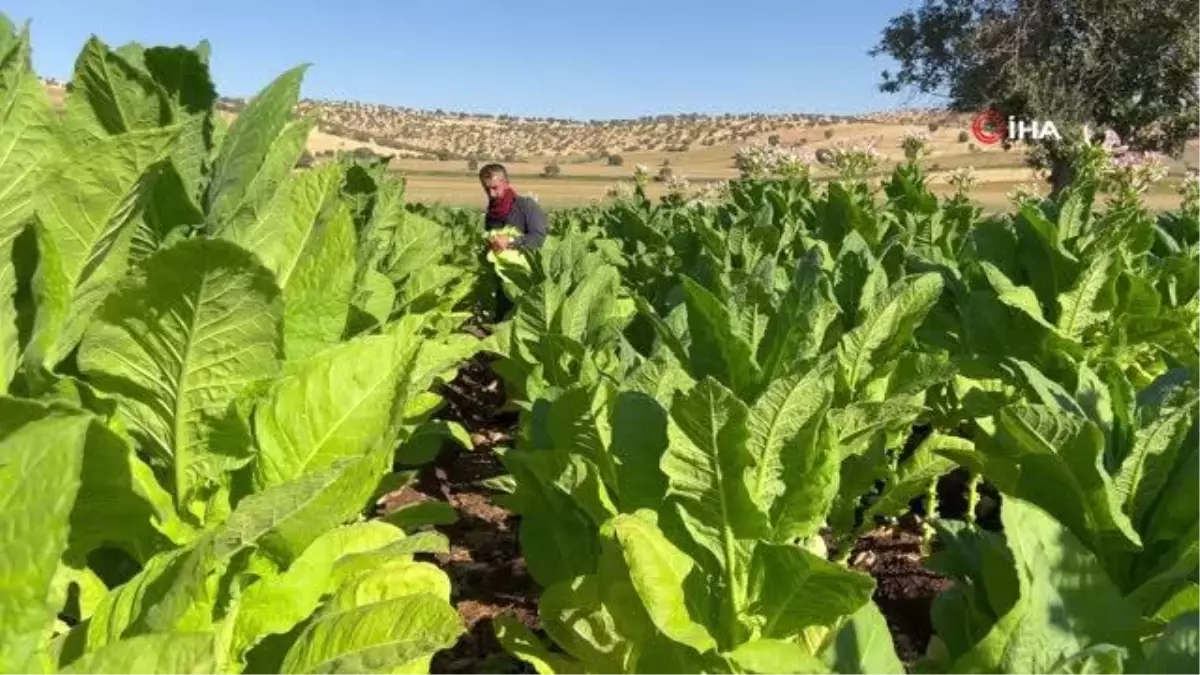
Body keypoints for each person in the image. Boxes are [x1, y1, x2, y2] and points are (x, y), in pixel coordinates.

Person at [479, 163, 547, 320]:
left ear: (506, 183)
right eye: (487, 189)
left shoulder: (526, 207)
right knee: (503, 320)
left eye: (495, 188)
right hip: (503, 279)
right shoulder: (492, 213)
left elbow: (538, 238)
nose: (492, 193)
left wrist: (510, 241)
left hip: (527, 279)